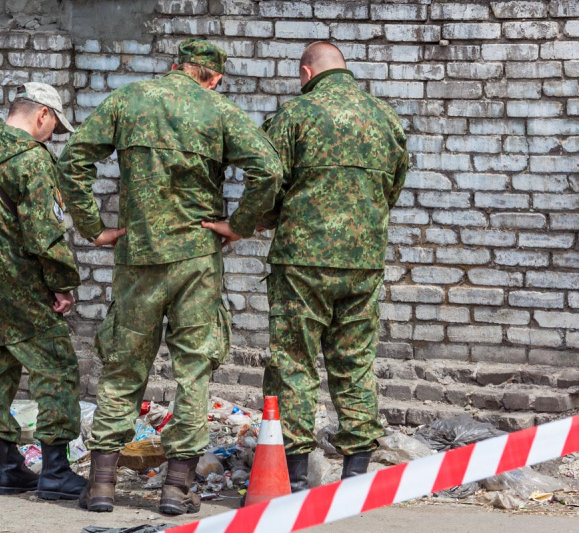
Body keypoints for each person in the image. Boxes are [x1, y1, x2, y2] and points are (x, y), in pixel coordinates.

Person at [58, 38, 281, 515]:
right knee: (194, 369)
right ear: (214, 77)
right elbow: (269, 169)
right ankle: (176, 489)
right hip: (196, 261)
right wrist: (238, 226)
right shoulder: (219, 111)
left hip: (138, 258)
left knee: (122, 365)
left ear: (175, 66)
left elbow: (72, 160)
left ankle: (101, 487)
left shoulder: (126, 100)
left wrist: (93, 227)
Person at [259, 42, 408, 490]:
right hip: (362, 264)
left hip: (302, 262)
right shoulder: (386, 118)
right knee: (355, 362)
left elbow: (267, 179)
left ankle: (297, 474)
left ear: (307, 73)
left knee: (294, 361)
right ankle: (357, 474)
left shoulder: (295, 115)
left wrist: (260, 220)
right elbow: (394, 185)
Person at [0, 82, 87, 500]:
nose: (53, 136)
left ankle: (9, 468)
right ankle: (55, 473)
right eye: (54, 127)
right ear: (42, 116)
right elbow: (44, 234)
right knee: (57, 370)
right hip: (22, 288)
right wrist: (63, 284)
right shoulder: (32, 161)